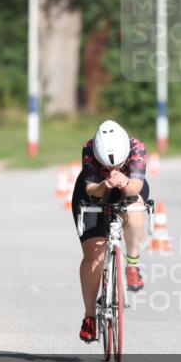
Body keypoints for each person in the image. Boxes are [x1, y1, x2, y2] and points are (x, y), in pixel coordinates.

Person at [72, 120, 149, 343]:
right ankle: (89, 317)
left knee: (136, 206)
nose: (114, 168)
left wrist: (124, 181)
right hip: (94, 192)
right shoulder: (89, 148)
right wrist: (105, 184)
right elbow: (90, 190)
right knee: (94, 255)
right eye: (107, 165)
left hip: (128, 187)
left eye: (118, 164)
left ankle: (132, 263)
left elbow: (134, 188)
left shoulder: (136, 148)